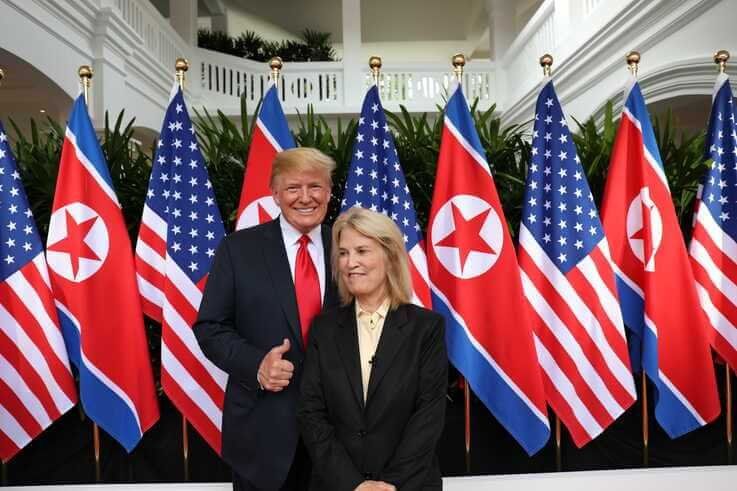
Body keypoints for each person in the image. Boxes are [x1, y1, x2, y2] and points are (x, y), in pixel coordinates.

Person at [195, 147, 339, 490]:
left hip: (339, 437)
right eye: (293, 188)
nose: (305, 197)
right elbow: (210, 327)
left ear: (330, 191)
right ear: (275, 193)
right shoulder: (238, 249)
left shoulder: (348, 246)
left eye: (315, 187)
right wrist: (256, 364)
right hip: (262, 437)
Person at [298, 207, 448, 491]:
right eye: (343, 253)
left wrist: (390, 485)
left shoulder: (426, 328)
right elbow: (311, 412)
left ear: (390, 257)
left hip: (408, 485)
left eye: (362, 251)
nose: (350, 262)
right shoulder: (324, 329)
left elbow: (429, 414)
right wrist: (354, 484)